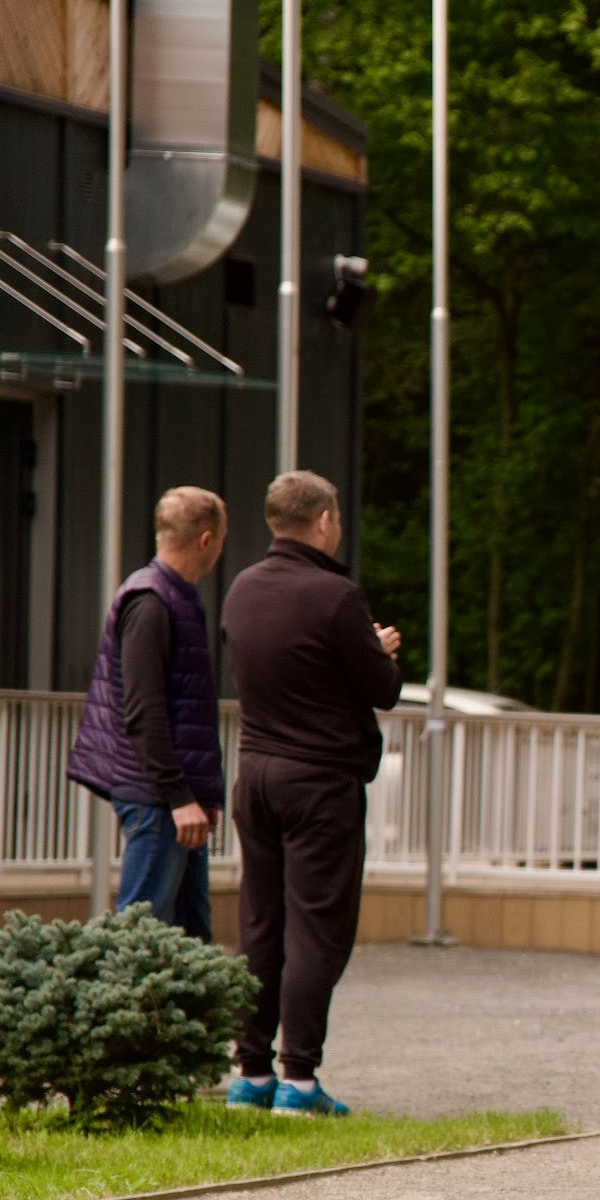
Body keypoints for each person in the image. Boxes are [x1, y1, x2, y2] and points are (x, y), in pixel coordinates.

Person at [219, 471, 403, 1117]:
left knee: (260, 923)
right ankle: (299, 1079)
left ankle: (250, 1072)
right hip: (319, 783)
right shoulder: (336, 596)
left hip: (256, 773)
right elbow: (380, 688)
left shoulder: (241, 588)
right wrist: (379, 650)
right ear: (324, 520)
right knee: (316, 928)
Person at [64, 486, 230, 941]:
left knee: (190, 932)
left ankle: (189, 1013)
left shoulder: (170, 597)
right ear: (206, 540)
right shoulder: (153, 602)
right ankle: (122, 1012)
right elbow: (144, 711)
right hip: (157, 796)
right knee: (140, 933)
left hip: (172, 797)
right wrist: (180, 796)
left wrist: (196, 794)